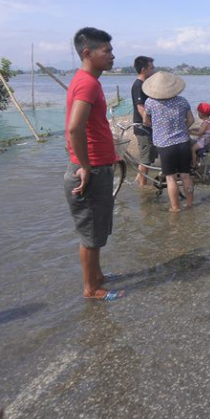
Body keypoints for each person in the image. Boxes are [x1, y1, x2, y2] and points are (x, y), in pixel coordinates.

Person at [64, 27, 124, 301]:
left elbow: (89, 127)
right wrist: (85, 167)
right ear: (88, 53)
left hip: (98, 164)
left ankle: (97, 275)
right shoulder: (87, 83)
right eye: (107, 51)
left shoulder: (87, 81)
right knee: (90, 232)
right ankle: (91, 289)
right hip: (89, 170)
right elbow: (75, 128)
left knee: (97, 228)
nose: (112, 56)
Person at [143, 71, 194, 212]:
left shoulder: (150, 103)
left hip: (165, 145)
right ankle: (189, 204)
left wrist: (156, 126)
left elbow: (145, 121)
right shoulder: (182, 100)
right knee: (185, 175)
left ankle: (175, 208)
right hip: (183, 142)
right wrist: (183, 129)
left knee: (171, 178)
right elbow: (191, 120)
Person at [131, 56, 156, 187]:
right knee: (145, 160)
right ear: (143, 69)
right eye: (151, 68)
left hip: (147, 127)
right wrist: (149, 123)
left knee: (147, 159)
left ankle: (140, 180)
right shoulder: (138, 86)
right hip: (142, 128)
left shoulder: (144, 85)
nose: (153, 70)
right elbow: (140, 107)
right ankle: (143, 188)